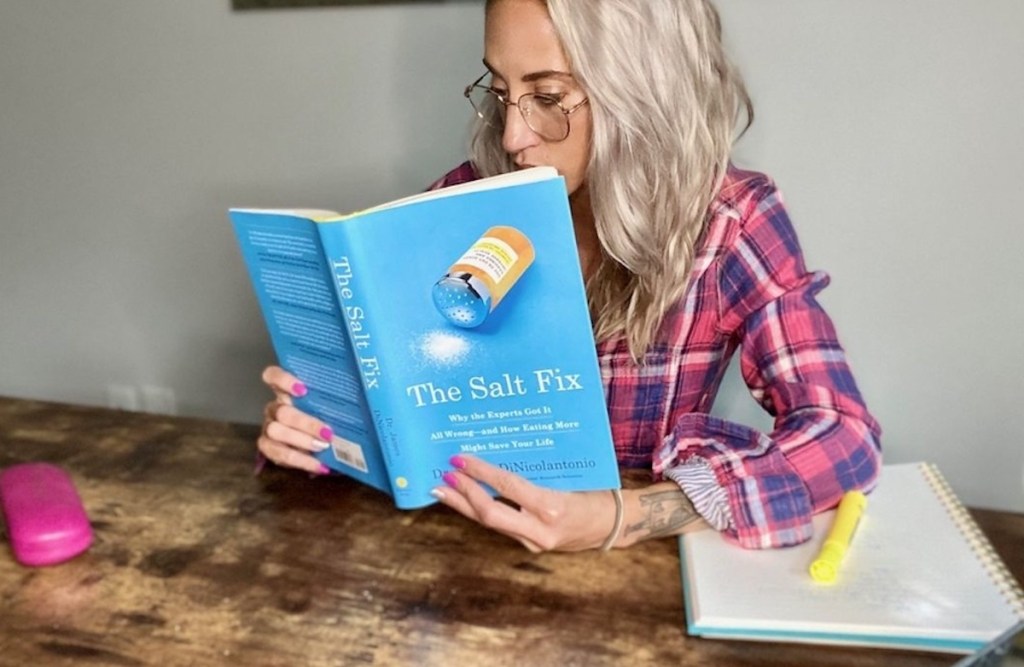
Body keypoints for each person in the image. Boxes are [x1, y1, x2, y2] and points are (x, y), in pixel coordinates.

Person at [258, 0, 882, 552]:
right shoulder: (465, 198)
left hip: (626, 582)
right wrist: (322, 435)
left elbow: (845, 437)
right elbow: (407, 406)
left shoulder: (728, 222)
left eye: (549, 98)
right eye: (501, 90)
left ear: (645, 90)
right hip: (455, 554)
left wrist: (624, 517)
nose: (512, 135)